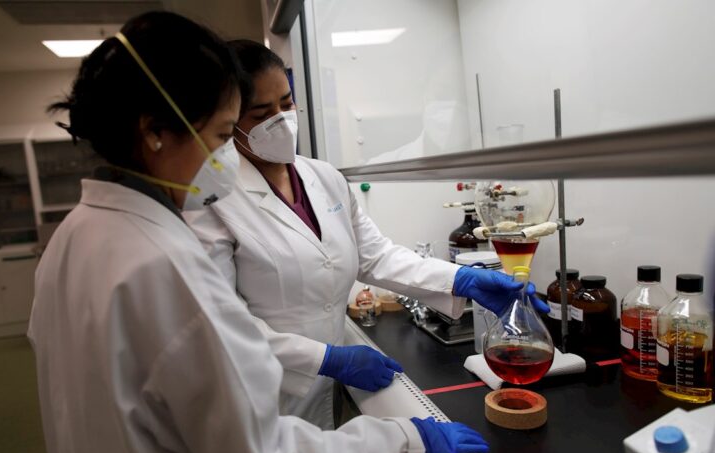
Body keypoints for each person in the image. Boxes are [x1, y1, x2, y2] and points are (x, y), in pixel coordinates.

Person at [29, 12, 489, 453]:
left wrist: (461, 279)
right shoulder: (164, 265)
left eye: (285, 105)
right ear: (155, 132)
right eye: (222, 134)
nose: (228, 153)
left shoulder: (76, 235)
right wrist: (404, 444)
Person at [185, 40, 549, 430]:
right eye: (262, 113)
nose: (281, 119)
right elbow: (223, 323)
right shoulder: (212, 201)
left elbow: (375, 255)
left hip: (324, 390)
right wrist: (325, 359)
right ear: (231, 121)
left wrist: (461, 279)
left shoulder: (323, 177)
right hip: (261, 395)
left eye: (286, 103)